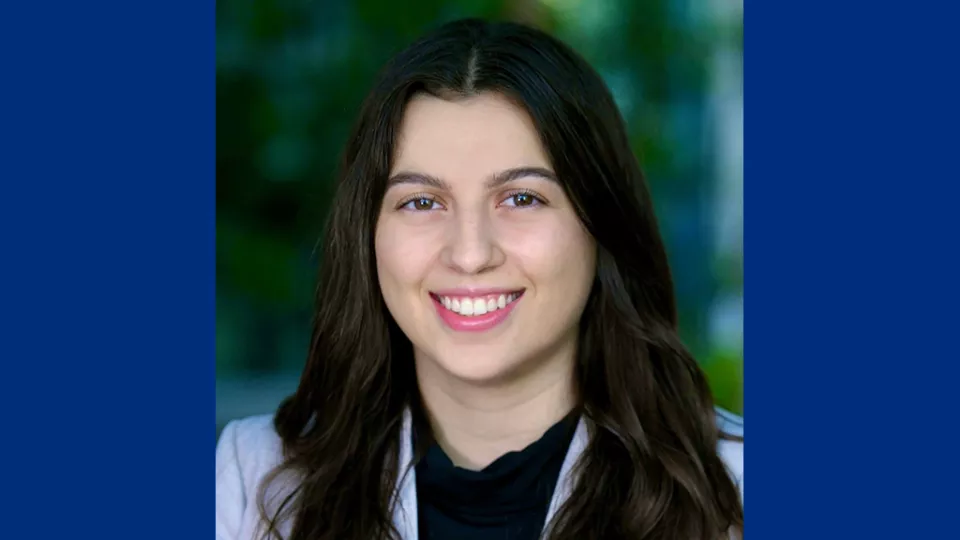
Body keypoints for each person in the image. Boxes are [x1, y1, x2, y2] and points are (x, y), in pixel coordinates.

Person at [216, 17, 744, 540]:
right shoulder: (252, 484)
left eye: (521, 198)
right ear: (367, 233)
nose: (470, 254)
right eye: (421, 202)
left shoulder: (737, 489)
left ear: (601, 224)